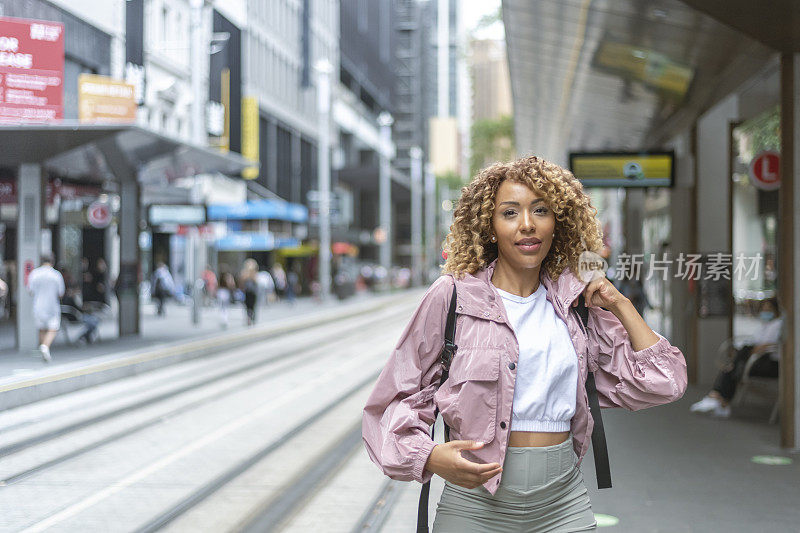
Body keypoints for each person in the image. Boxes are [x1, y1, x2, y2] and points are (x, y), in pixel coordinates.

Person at [362, 156, 688, 532]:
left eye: (540, 210)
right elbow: (390, 401)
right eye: (510, 212)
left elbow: (665, 381)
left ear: (558, 223)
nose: (527, 224)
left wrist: (620, 304)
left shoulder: (576, 306)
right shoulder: (452, 297)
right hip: (475, 503)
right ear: (490, 226)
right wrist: (430, 456)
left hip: (562, 501)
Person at [690, 297, 782, 418]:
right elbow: (755, 341)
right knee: (734, 366)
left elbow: (769, 345)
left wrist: (753, 350)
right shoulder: (764, 325)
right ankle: (718, 399)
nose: (766, 312)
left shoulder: (778, 324)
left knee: (734, 367)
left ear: (776, 310)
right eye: (763, 309)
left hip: (768, 363)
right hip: (756, 359)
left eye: (769, 309)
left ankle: (718, 399)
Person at [26, 253, 65, 362]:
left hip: (38, 305)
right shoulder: (56, 275)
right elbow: (61, 293)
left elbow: (30, 290)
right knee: (53, 328)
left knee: (41, 328)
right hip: (52, 305)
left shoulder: (34, 273)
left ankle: (44, 348)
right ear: (52, 261)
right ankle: (45, 347)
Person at [240, 259, 259, 326]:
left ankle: (252, 317)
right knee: (247, 306)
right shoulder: (244, 273)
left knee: (252, 306)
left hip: (253, 292)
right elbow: (242, 281)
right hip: (247, 292)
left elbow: (256, 280)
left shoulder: (254, 273)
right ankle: (248, 318)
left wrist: (251, 273)